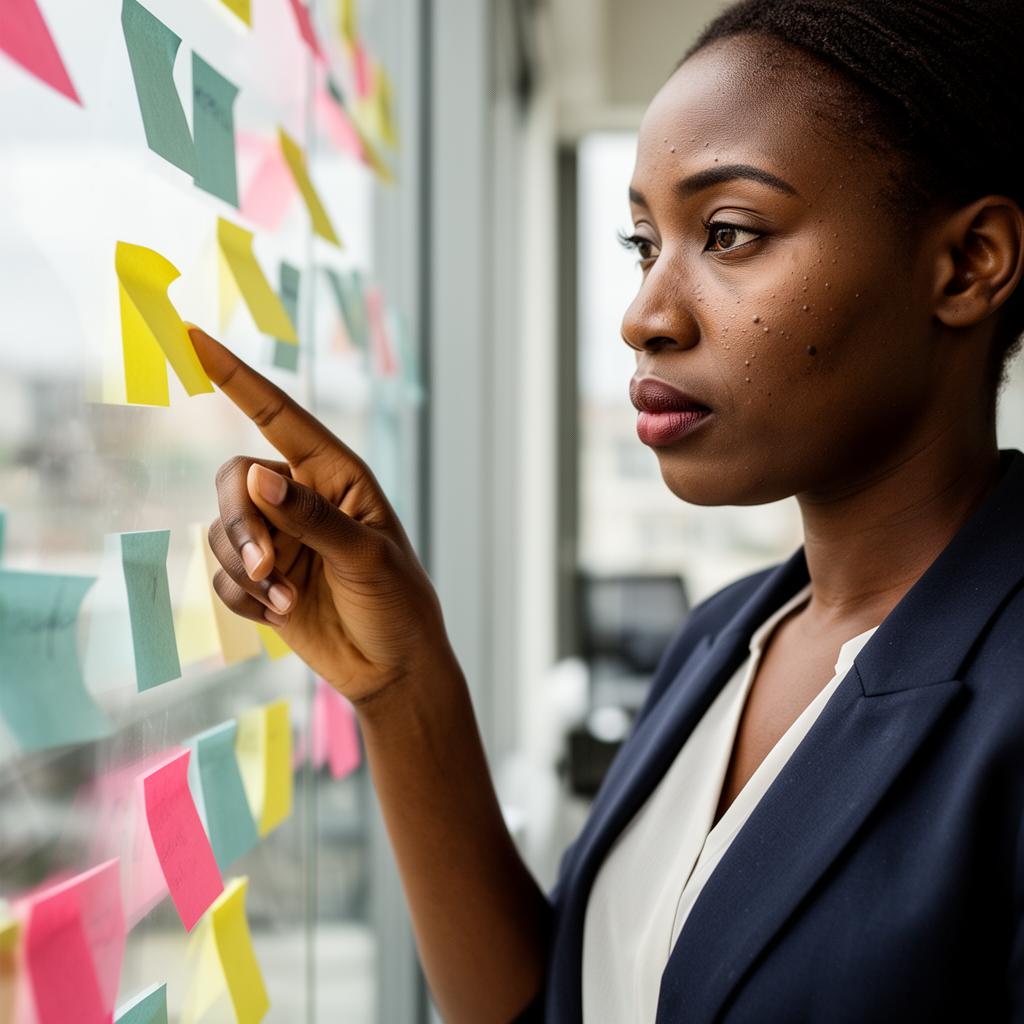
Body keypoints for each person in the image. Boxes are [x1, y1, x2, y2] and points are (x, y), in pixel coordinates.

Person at [188, 0, 1024, 1018]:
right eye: (643, 242)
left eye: (727, 232)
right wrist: (406, 689)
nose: (643, 315)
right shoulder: (726, 636)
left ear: (967, 263)